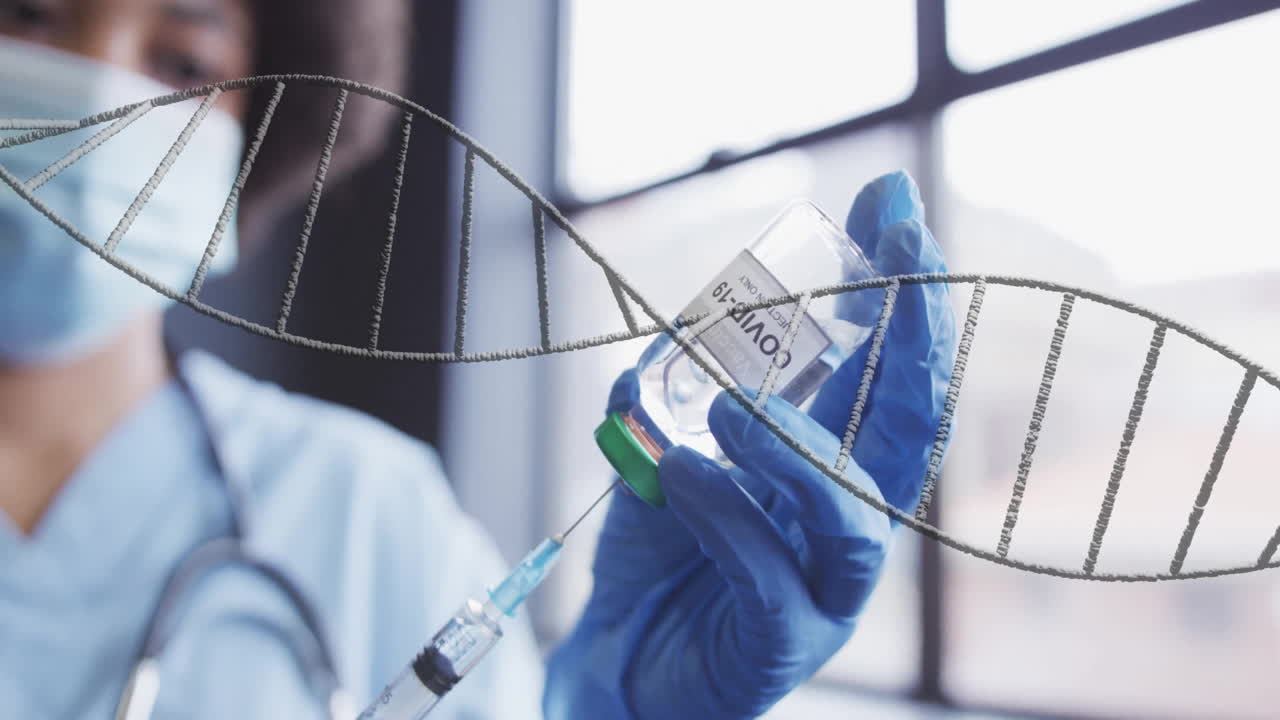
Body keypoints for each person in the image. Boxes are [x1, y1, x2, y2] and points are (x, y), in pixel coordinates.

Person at [0, 1, 957, 718]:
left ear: (261, 129)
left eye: (181, 58)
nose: (99, 95)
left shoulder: (370, 513)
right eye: (28, 15)